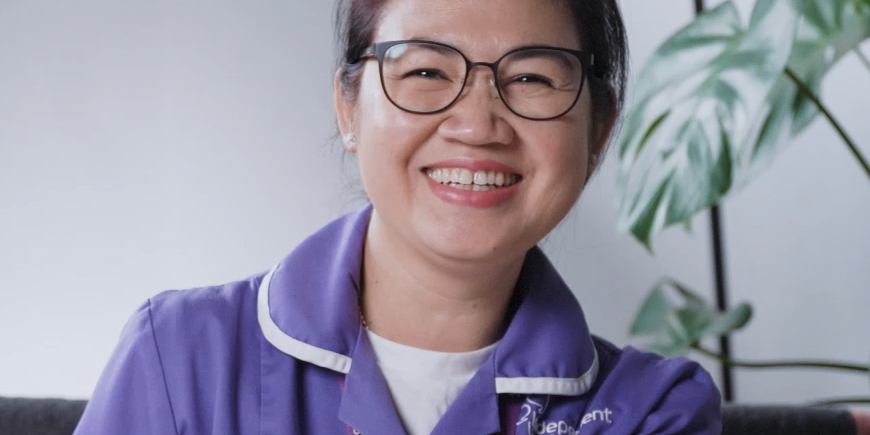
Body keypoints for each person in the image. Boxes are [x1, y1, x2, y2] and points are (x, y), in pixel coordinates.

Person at [73, 0, 722, 434]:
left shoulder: (651, 409)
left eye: (530, 79)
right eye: (426, 70)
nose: (476, 124)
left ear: (599, 129)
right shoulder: (181, 356)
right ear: (348, 107)